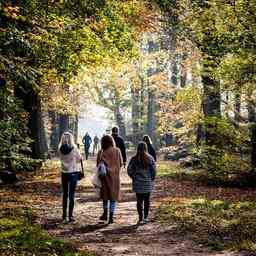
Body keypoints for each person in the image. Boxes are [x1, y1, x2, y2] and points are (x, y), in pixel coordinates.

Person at [127, 142, 156, 225]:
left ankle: (140, 218)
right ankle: (146, 217)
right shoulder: (150, 158)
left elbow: (129, 170)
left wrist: (133, 177)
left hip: (138, 183)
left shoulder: (134, 159)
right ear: (146, 148)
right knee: (147, 200)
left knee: (139, 201)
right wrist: (152, 178)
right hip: (147, 183)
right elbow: (153, 170)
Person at [96, 135, 123, 224]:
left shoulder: (102, 152)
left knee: (105, 196)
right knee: (113, 197)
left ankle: (105, 213)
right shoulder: (117, 151)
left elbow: (98, 165)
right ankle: (111, 216)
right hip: (115, 177)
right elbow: (121, 163)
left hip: (105, 177)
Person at [58, 132, 82, 222]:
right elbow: (79, 160)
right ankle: (70, 216)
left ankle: (64, 215)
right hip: (73, 173)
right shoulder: (74, 149)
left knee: (65, 194)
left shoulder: (60, 149)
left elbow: (61, 159)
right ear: (71, 139)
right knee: (71, 195)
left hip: (64, 173)